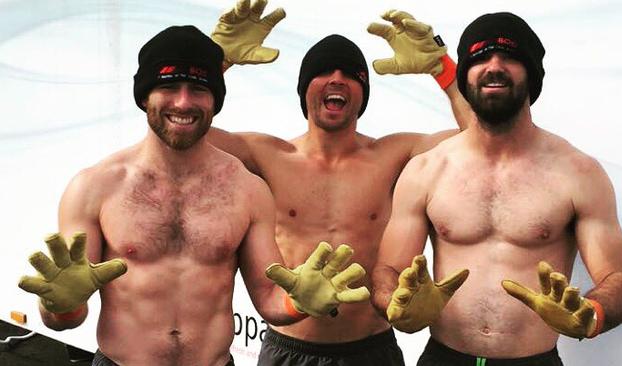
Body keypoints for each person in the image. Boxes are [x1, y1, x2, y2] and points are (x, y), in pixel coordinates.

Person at [17, 25, 369, 366]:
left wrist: (298, 302)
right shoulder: (95, 188)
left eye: (199, 89)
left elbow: (269, 297)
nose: (184, 102)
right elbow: (66, 316)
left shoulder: (247, 190)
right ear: (144, 96)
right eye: (170, 86)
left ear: (215, 101)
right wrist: (59, 306)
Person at [208, 1, 470, 365]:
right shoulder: (267, 155)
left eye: (349, 74)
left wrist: (443, 70)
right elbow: (184, 129)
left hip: (371, 349)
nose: (336, 79)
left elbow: (480, 137)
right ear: (304, 90)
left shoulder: (394, 155)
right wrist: (213, 61)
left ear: (362, 95)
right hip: (289, 349)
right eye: (322, 72)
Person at [372, 12, 622, 365]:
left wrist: (593, 313)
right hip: (443, 357)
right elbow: (387, 269)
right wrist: (395, 302)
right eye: (480, 57)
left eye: (510, 56)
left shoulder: (578, 173)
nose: (494, 66)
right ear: (465, 76)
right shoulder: (426, 170)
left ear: (532, 75)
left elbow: (618, 279)